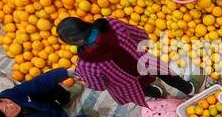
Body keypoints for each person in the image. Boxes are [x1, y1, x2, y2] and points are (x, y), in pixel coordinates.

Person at [56, 16, 195, 106]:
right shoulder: (111, 24)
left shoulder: (87, 64)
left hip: (126, 81)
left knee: (142, 89)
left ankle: (157, 93)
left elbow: (99, 86)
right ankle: (188, 89)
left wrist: (82, 77)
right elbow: (139, 34)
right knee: (167, 74)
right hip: (143, 61)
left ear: (75, 42)